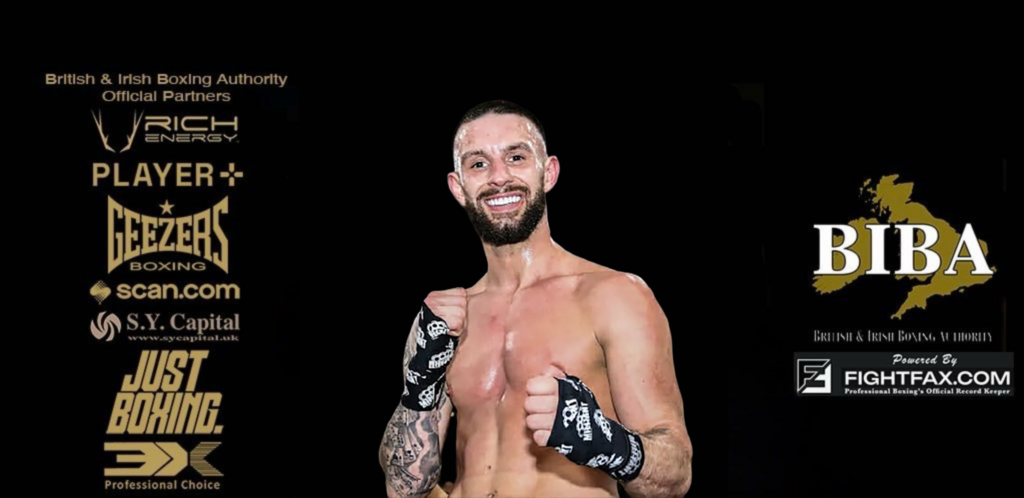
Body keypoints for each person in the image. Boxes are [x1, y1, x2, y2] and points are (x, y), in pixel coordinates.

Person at [380, 100, 692, 498]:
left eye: (516, 157)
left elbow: (676, 476)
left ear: (549, 172)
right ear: (458, 187)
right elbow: (402, 488)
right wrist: (419, 388)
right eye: (478, 163)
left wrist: (610, 444)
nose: (499, 177)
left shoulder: (613, 296)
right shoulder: (447, 320)